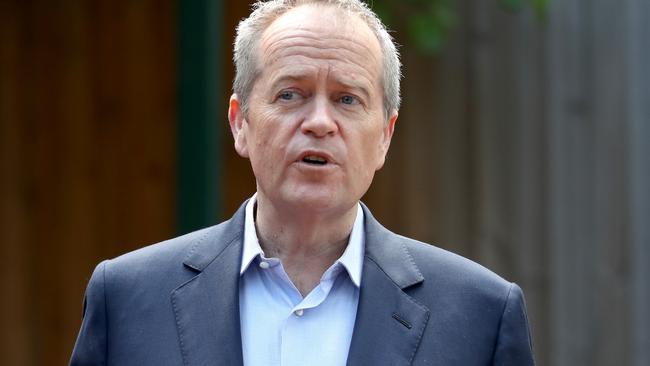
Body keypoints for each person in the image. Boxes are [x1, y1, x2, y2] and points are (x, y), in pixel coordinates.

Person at [70, 0, 535, 365]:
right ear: (240, 123)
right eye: (290, 94)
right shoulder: (128, 299)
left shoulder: (479, 315)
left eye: (347, 99)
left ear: (385, 137)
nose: (319, 122)